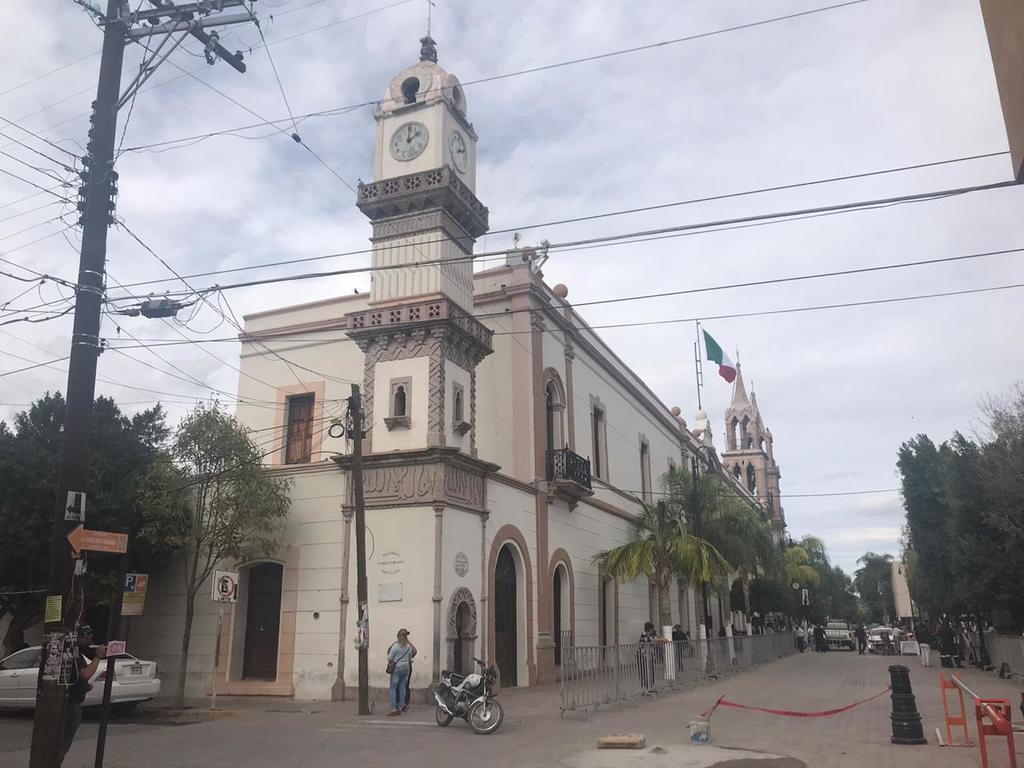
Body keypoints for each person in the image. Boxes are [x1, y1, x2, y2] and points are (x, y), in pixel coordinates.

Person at [64, 624, 106, 759]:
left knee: (66, 736)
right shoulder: (74, 654)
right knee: (65, 736)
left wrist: (83, 686)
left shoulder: (74, 652)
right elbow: (85, 673)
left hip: (72, 697)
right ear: (80, 637)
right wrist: (98, 656)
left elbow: (75, 676)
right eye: (87, 636)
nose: (90, 640)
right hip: (71, 702)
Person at [386, 628, 416, 716]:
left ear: (398, 636)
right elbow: (410, 657)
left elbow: (390, 658)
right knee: (403, 687)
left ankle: (393, 708)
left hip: (397, 669)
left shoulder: (395, 646)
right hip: (406, 668)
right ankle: (400, 706)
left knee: (393, 687)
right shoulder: (409, 647)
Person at [637, 622, 659, 692]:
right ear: (649, 629)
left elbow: (656, 639)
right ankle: (647, 687)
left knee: (651, 670)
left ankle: (650, 686)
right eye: (652, 628)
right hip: (644, 656)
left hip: (649, 656)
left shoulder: (650, 635)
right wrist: (661, 639)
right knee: (646, 671)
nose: (653, 630)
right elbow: (653, 640)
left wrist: (660, 639)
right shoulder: (645, 634)